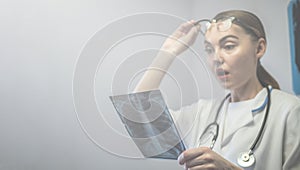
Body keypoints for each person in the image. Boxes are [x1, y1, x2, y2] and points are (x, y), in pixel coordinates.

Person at [134, 10, 300, 170]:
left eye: (228, 46)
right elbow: (138, 118)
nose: (216, 58)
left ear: (259, 49)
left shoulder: (290, 111)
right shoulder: (202, 112)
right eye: (209, 49)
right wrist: (167, 52)